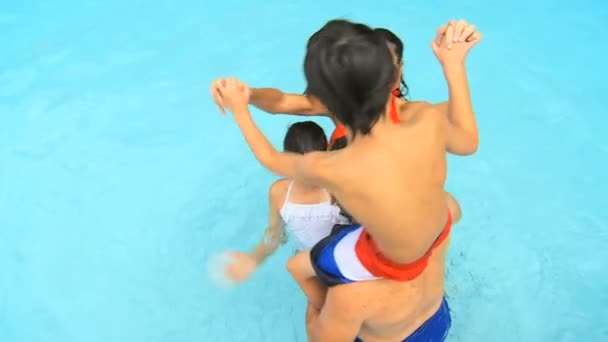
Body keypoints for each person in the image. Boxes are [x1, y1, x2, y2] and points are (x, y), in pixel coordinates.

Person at [211, 17, 480, 341]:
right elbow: (468, 140)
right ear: (393, 73)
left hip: (388, 269)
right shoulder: (425, 117)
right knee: (448, 206)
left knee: (299, 269)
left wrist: (240, 108)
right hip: (434, 269)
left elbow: (271, 159)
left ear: (326, 101)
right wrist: (454, 64)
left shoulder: (339, 166)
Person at [221, 121, 349, 284]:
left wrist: (253, 259)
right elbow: (275, 234)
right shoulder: (336, 189)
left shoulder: (283, 192)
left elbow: (275, 235)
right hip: (323, 263)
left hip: (323, 263)